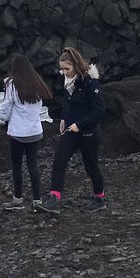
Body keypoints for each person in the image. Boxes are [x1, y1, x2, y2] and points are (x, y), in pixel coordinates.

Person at [40, 47, 106, 214]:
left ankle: (99, 198)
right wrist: (64, 119)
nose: (63, 72)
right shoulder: (68, 82)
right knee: (59, 160)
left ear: (76, 66)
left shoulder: (91, 84)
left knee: (91, 166)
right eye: (61, 69)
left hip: (88, 132)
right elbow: (69, 104)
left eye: (66, 69)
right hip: (71, 129)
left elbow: (98, 111)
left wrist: (80, 125)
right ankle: (54, 197)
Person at [0, 54, 52, 211]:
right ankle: (37, 201)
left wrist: (0, 120)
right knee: (33, 166)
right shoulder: (37, 83)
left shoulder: (12, 85)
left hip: (18, 133)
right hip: (34, 131)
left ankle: (18, 200)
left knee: (17, 166)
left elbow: (6, 106)